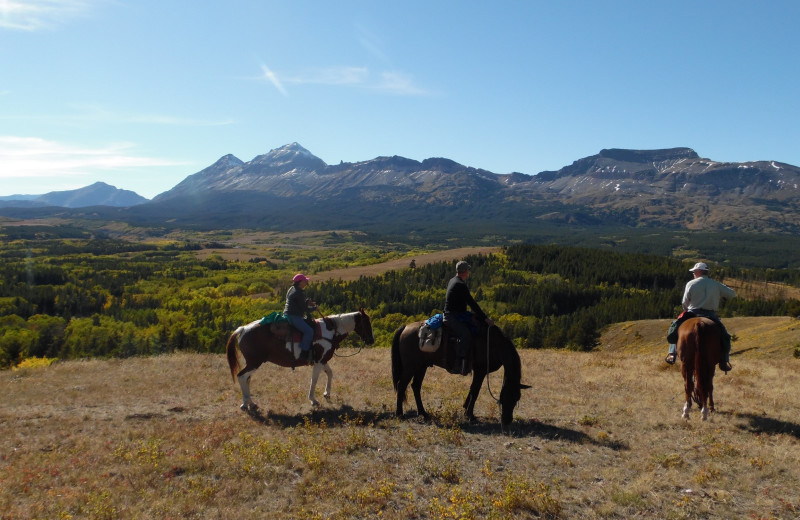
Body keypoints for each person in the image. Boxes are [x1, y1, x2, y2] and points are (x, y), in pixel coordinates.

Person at [665, 262, 736, 372]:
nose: (693, 273)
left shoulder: (691, 283)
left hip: (692, 312)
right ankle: (724, 360)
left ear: (698, 272)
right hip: (711, 314)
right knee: (724, 336)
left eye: (694, 272)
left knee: (675, 327)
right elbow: (732, 294)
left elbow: (685, 302)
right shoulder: (715, 284)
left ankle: (671, 354)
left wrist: (686, 309)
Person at [443, 260, 494, 375]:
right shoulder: (460, 285)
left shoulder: (453, 280)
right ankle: (458, 364)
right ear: (465, 271)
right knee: (465, 334)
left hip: (454, 313)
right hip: (452, 316)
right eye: (468, 270)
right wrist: (485, 318)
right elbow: (472, 303)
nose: (468, 273)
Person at [284, 273, 317, 361]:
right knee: (309, 331)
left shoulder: (293, 289)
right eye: (305, 281)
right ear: (300, 282)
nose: (306, 282)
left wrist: (306, 302)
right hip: (294, 316)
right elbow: (305, 309)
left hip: (289, 314)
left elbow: (298, 303)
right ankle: (303, 353)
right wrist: (314, 308)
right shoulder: (299, 292)